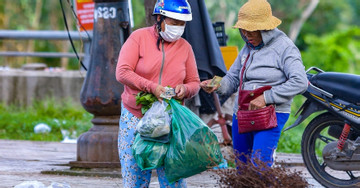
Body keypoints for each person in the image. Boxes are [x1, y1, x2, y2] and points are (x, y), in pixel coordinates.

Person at [200, 0, 308, 167]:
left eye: (251, 30)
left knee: (260, 166)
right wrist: (218, 85)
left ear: (265, 29)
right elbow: (233, 78)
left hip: (271, 114)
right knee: (242, 167)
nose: (246, 34)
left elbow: (300, 81)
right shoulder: (248, 47)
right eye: (243, 30)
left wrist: (266, 97)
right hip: (242, 113)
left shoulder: (285, 48)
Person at [115, 0, 200, 187]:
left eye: (182, 24)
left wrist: (184, 90)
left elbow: (194, 83)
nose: (178, 28)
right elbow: (122, 71)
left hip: (170, 119)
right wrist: (152, 87)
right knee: (134, 171)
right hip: (135, 115)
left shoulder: (185, 47)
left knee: (173, 174)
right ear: (159, 18)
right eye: (174, 22)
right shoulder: (138, 38)